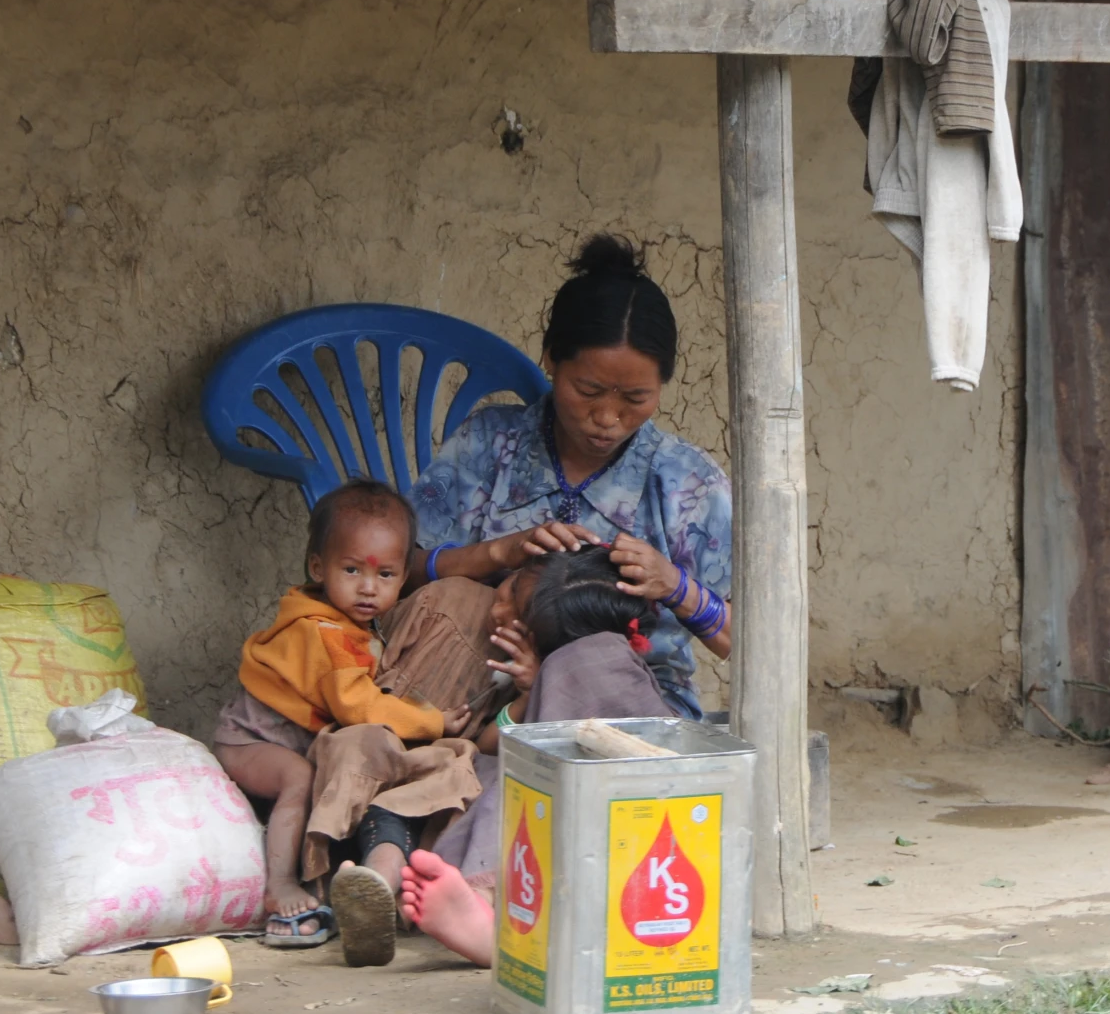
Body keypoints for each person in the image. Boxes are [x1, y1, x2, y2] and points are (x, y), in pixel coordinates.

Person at [409, 235, 736, 716]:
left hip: (628, 711)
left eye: (635, 399)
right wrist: (494, 553)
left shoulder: (687, 485)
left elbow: (753, 647)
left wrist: (675, 586)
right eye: (588, 390)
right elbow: (393, 577)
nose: (606, 417)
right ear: (550, 360)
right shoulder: (486, 446)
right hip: (468, 696)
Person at [212, 482, 459, 957]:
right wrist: (434, 722)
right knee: (299, 778)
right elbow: (358, 707)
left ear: (404, 576)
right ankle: (280, 884)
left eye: (385, 575)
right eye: (352, 570)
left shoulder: (344, 620)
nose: (369, 588)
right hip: (249, 742)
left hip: (279, 735)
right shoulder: (324, 633)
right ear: (317, 567)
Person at [403, 547, 670, 967]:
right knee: (497, 772)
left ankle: (491, 915)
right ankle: (488, 909)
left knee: (523, 777)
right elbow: (498, 744)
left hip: (635, 810)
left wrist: (547, 674)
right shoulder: (545, 671)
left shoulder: (591, 658)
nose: (499, 609)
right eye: (508, 586)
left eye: (515, 613)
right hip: (575, 814)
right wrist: (531, 692)